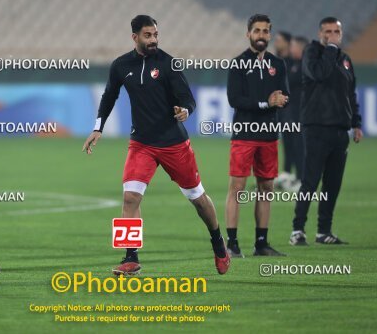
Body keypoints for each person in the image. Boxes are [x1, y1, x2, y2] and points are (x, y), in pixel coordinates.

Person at [82, 15, 230, 275]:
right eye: (148, 35)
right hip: (141, 144)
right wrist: (98, 127)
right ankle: (130, 257)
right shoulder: (120, 65)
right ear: (135, 37)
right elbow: (109, 96)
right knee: (130, 197)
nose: (154, 40)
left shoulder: (169, 64)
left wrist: (185, 110)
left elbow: (188, 99)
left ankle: (218, 243)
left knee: (198, 199)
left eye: (156, 35)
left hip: (174, 144)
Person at [289, 17, 362, 246]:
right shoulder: (312, 53)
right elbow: (318, 74)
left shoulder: (345, 59)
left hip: (340, 131)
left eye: (336, 32)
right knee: (310, 181)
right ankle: (297, 230)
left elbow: (351, 94)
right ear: (320, 33)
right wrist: (330, 48)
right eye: (328, 31)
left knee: (332, 184)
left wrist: (356, 123)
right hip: (316, 128)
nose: (332, 35)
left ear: (341, 33)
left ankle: (323, 231)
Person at [225, 14, 289, 258]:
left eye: (265, 31)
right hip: (244, 133)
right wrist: (266, 102)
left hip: (269, 135)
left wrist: (282, 100)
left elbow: (285, 95)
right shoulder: (238, 64)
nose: (261, 35)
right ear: (248, 34)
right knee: (238, 189)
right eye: (257, 31)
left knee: (267, 187)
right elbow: (235, 100)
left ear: (270, 35)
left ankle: (261, 243)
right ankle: (231, 244)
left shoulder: (278, 64)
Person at [274, 31, 301, 192]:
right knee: (286, 142)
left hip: (294, 109)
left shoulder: (294, 63)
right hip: (280, 110)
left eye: (279, 40)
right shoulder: (275, 61)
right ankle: (286, 174)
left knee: (296, 143)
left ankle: (298, 177)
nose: (276, 42)